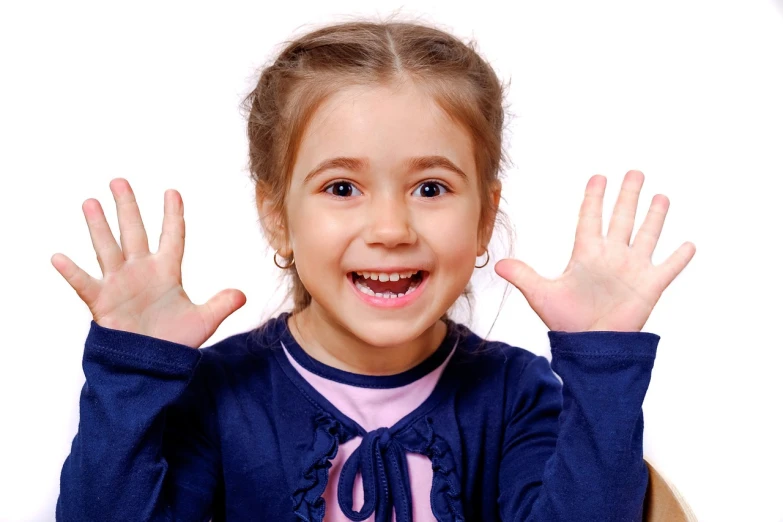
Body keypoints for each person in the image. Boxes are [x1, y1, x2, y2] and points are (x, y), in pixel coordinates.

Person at [52, 18, 696, 522]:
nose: (390, 230)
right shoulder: (223, 394)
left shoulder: (516, 395)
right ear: (277, 215)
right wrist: (131, 372)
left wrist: (602, 364)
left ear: (483, 217)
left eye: (431, 188)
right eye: (341, 188)